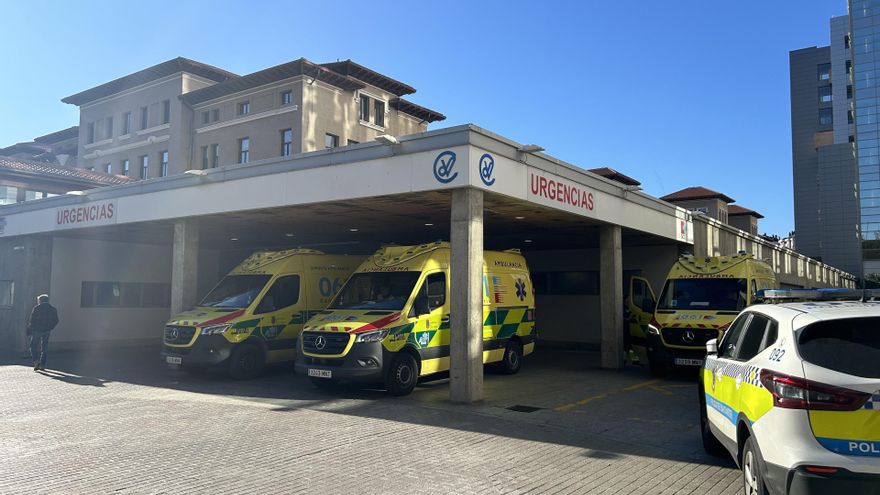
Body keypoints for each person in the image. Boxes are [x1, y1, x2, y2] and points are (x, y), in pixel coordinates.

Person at [27, 294, 59, 371]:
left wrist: (31, 328)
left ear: (40, 301)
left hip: (37, 330)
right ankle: (42, 365)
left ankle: (36, 361)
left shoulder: (37, 308)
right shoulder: (53, 309)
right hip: (47, 330)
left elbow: (32, 319)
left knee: (32, 346)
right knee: (44, 348)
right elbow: (56, 320)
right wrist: (50, 328)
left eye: (38, 300)